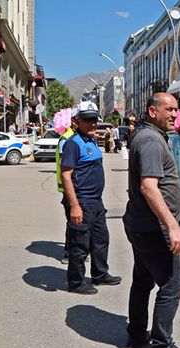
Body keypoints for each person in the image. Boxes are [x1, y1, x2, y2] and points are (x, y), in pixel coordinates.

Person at [123, 93, 180, 348]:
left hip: (141, 224)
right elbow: (149, 187)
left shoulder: (146, 135)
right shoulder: (151, 140)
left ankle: (137, 334)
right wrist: (173, 226)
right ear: (152, 111)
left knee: (142, 281)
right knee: (172, 285)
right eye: (169, 109)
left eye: (177, 109)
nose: (175, 114)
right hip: (152, 227)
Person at [60, 100, 122, 294]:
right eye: (87, 120)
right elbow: (66, 175)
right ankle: (76, 282)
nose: (93, 123)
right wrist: (74, 206)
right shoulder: (72, 143)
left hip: (96, 202)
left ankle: (100, 274)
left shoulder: (91, 140)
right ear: (76, 121)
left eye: (94, 119)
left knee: (101, 239)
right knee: (80, 246)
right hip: (83, 202)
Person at [56, 108, 78, 264]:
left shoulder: (70, 137)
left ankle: (77, 250)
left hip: (72, 186)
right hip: (69, 187)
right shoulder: (68, 139)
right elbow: (65, 165)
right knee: (73, 221)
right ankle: (69, 252)